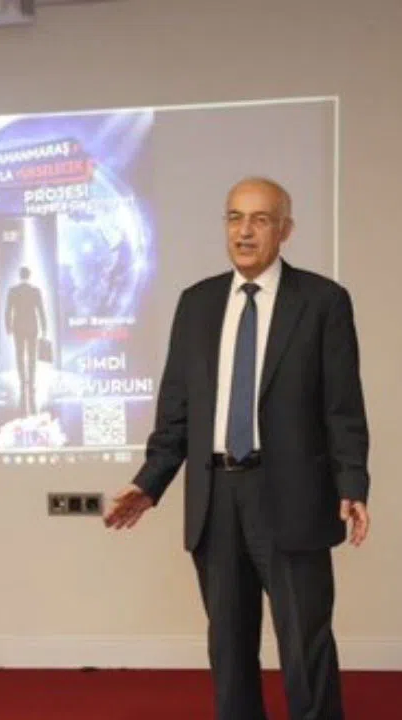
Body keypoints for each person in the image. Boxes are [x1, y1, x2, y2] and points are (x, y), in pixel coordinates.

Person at [104, 177, 371, 720]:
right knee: (228, 647)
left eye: (260, 219)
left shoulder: (322, 302)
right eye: (234, 218)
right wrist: (149, 483)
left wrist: (352, 485)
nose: (244, 231)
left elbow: (342, 407)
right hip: (216, 498)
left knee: (305, 643)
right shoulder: (197, 304)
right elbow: (176, 412)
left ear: (285, 230)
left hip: (293, 495)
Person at [4, 266, 47, 415]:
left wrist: (8, 327)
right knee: (32, 355)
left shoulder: (13, 291)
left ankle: (23, 381)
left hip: (18, 327)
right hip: (32, 326)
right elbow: (41, 310)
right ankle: (32, 381)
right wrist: (45, 327)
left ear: (20, 275)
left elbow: (8, 310)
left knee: (19, 355)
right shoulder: (35, 291)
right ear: (29, 276)